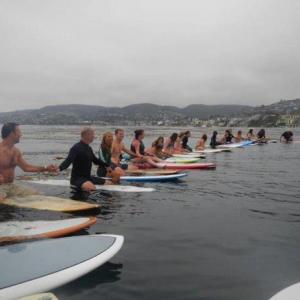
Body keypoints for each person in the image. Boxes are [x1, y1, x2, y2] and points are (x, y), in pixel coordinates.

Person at [59, 127, 110, 192]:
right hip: (77, 179)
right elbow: (68, 160)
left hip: (88, 177)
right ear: (87, 135)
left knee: (109, 183)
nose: (94, 137)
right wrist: (59, 168)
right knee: (92, 188)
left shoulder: (89, 148)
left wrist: (107, 165)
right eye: (92, 135)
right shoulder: (76, 148)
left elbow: (95, 160)